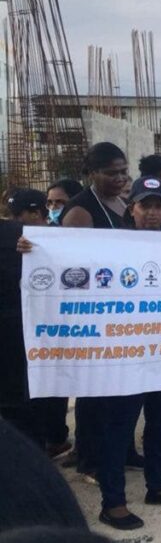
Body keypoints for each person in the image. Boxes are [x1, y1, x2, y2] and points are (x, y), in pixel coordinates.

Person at [29, 178, 161, 530]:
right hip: (123, 354)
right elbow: (65, 260)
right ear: (131, 208)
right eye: (144, 205)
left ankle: (159, 484)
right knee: (118, 428)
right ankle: (113, 502)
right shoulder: (106, 244)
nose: (151, 213)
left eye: (158, 206)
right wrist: (32, 248)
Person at [59, 143, 131, 481]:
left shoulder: (122, 203)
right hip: (93, 313)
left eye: (123, 171)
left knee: (121, 389)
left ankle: (121, 450)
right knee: (94, 391)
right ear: (92, 174)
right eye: (111, 172)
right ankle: (90, 458)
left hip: (121, 310)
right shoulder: (81, 210)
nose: (120, 178)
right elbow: (71, 265)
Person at [0, 189, 68, 455]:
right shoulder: (13, 237)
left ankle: (51, 440)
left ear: (37, 214)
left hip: (50, 328)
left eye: (19, 215)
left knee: (45, 392)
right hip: (17, 330)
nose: (14, 220)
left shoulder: (60, 238)